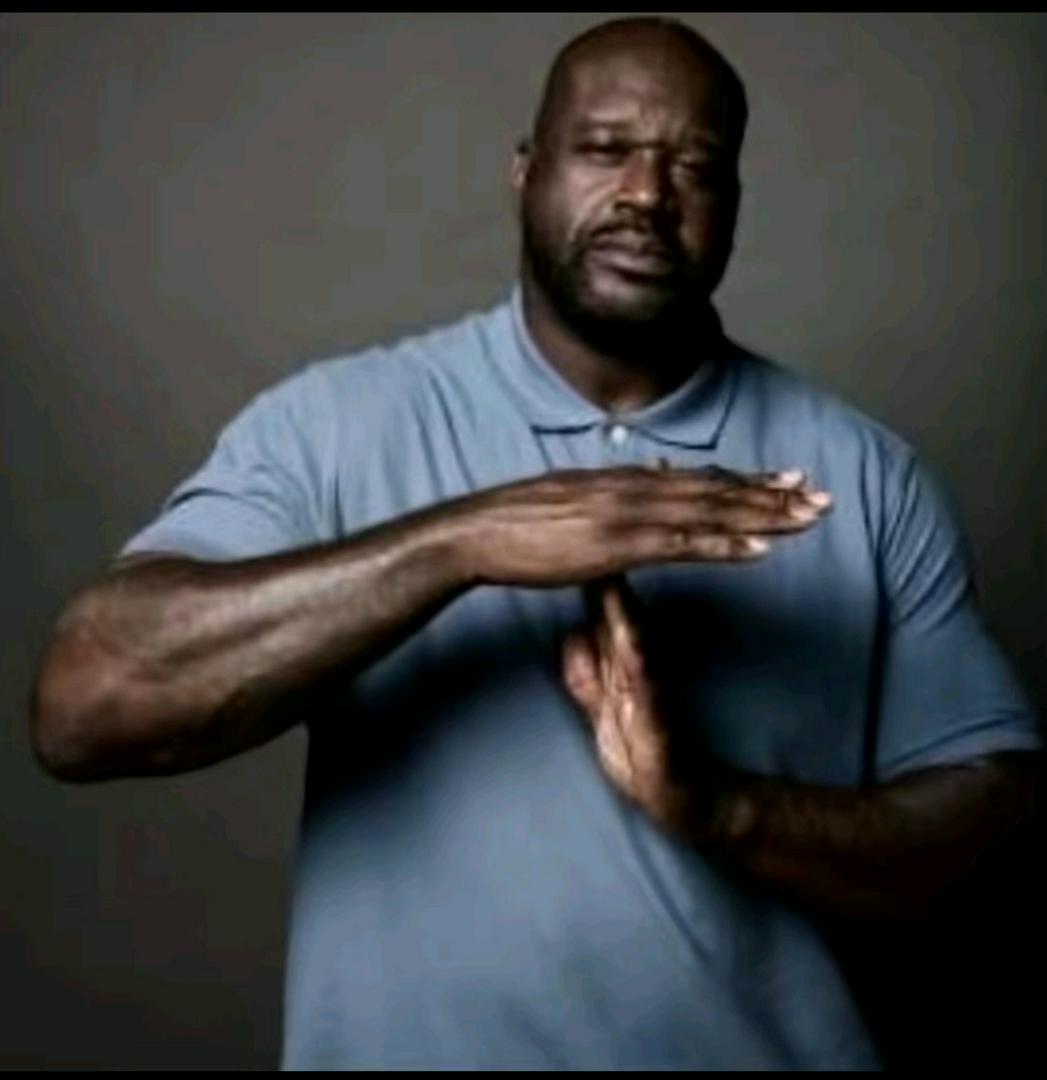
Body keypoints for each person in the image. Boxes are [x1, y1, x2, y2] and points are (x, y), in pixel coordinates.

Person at [30, 16, 1042, 1070]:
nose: (647, 193)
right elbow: (85, 705)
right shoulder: (334, 425)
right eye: (605, 149)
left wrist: (719, 807)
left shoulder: (861, 475)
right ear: (526, 170)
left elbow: (991, 856)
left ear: (735, 204)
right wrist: (462, 540)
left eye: (695, 166)